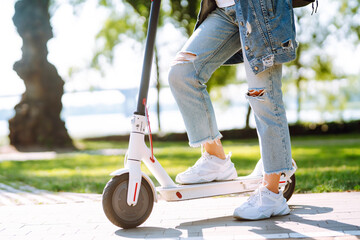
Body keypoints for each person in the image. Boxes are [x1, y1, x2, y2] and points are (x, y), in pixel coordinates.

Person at [167, 0, 297, 220]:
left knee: (263, 96)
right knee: (182, 73)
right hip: (223, 12)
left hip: (259, 8)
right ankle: (215, 159)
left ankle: (272, 193)